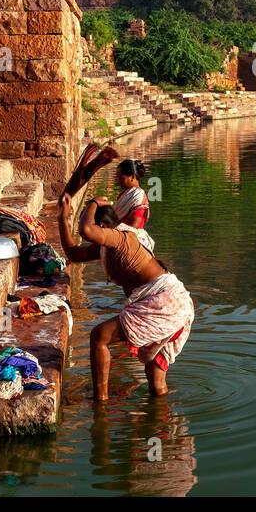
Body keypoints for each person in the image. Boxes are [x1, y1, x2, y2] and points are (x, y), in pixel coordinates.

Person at [59, 147, 193, 400]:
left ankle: (100, 401)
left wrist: (93, 202)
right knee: (155, 377)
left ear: (104, 227)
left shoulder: (122, 238)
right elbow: (74, 254)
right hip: (176, 302)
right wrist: (61, 218)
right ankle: (163, 427)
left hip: (166, 301)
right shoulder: (108, 244)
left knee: (99, 336)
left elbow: (87, 230)